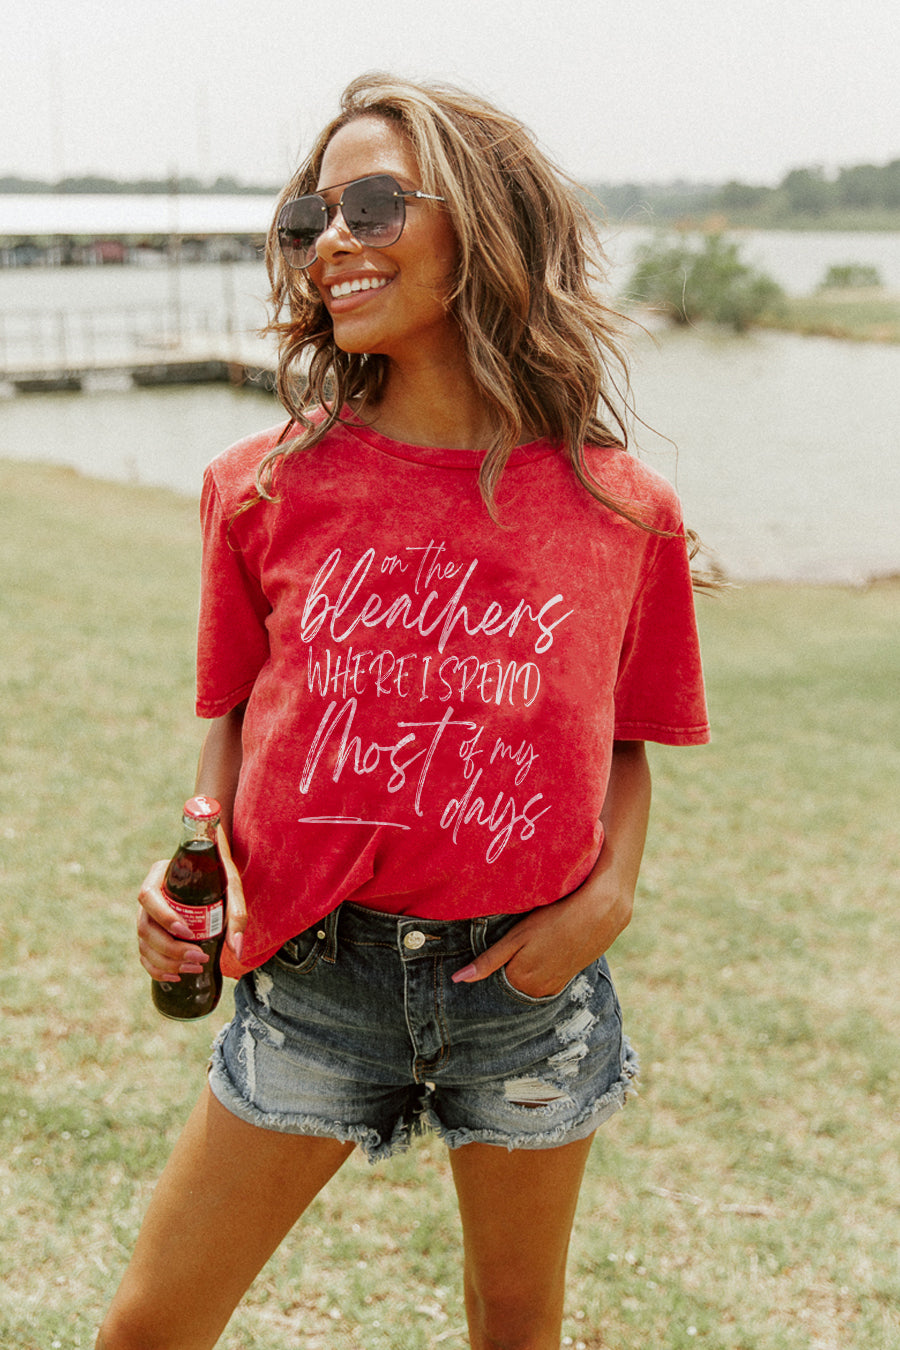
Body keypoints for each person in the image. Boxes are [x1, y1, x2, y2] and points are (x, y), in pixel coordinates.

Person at [96, 72, 709, 1350]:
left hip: (526, 990)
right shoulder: (259, 487)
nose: (331, 240)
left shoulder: (621, 508)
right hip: (316, 980)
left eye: (372, 205)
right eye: (309, 216)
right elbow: (235, 717)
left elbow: (622, 743)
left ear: (483, 225)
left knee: (514, 1325)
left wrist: (609, 896)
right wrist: (193, 862)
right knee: (150, 1328)